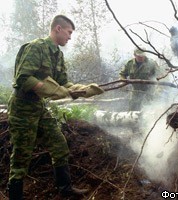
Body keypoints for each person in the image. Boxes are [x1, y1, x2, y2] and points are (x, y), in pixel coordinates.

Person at [7, 15, 104, 199]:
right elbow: (22, 78)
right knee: (21, 156)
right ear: (58, 29)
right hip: (22, 108)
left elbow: (63, 83)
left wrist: (83, 90)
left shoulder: (58, 55)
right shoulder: (36, 47)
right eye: (69, 32)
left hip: (38, 107)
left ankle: (64, 188)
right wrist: (50, 90)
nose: (70, 37)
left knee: (59, 144)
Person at [119, 47, 159, 111]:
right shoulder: (130, 64)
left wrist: (157, 90)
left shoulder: (152, 64)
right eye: (139, 56)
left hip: (148, 93)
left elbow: (160, 77)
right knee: (132, 112)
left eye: (142, 56)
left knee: (147, 112)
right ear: (134, 55)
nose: (141, 57)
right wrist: (123, 83)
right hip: (135, 92)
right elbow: (122, 74)